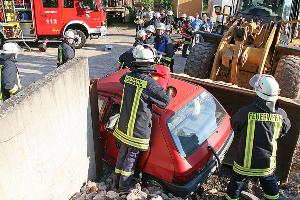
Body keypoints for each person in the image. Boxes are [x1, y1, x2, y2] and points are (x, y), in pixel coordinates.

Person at [113, 45, 170, 192]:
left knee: (122, 154)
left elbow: (121, 79)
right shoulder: (149, 83)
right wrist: (167, 90)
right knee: (131, 157)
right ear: (150, 63)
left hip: (124, 126)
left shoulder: (128, 77)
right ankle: (124, 186)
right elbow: (165, 101)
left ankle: (116, 183)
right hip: (138, 129)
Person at [225, 74, 291, 200]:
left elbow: (235, 124)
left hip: (244, 163)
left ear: (259, 92)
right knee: (270, 183)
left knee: (236, 184)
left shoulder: (246, 112)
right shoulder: (281, 115)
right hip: (267, 163)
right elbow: (285, 129)